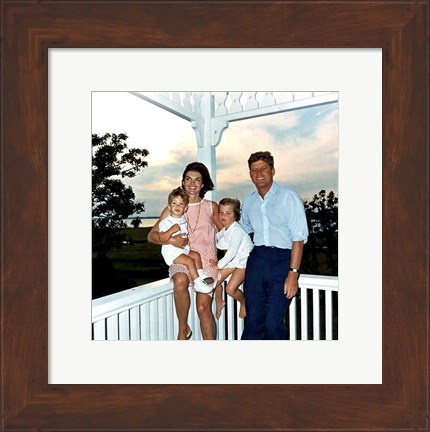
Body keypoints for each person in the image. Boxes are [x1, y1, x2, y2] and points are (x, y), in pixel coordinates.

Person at [147, 162, 223, 340]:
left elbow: (227, 236)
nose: (192, 183)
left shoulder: (211, 207)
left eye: (197, 180)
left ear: (203, 184)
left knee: (203, 308)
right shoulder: (174, 206)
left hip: (206, 261)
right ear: (183, 182)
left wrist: (229, 263)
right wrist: (170, 239)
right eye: (188, 179)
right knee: (180, 280)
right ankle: (183, 328)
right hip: (182, 257)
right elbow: (151, 236)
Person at [240, 151, 308, 340]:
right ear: (250, 174)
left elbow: (298, 237)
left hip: (282, 261)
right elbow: (242, 229)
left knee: (272, 323)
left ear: (273, 170)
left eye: (263, 168)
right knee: (253, 321)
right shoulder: (249, 200)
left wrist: (293, 273)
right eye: (254, 170)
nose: (259, 173)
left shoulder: (288, 197)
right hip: (257, 261)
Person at [159, 187, 214, 294]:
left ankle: (201, 275)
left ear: (185, 208)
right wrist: (171, 231)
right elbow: (161, 238)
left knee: (196, 255)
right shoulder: (167, 222)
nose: (177, 206)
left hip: (183, 249)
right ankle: (197, 284)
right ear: (169, 207)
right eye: (174, 203)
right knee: (189, 261)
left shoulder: (182, 218)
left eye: (181, 204)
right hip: (172, 253)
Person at [209, 198, 254, 320]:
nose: (223, 216)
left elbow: (232, 252)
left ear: (235, 216)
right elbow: (217, 240)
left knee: (230, 289)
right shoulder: (225, 230)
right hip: (233, 262)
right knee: (214, 281)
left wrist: (218, 265)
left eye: (228, 213)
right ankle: (220, 302)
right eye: (221, 212)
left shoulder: (237, 230)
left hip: (243, 262)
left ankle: (244, 302)